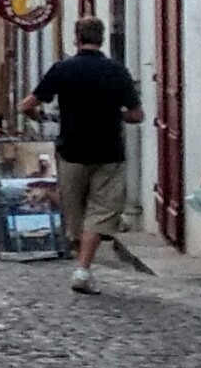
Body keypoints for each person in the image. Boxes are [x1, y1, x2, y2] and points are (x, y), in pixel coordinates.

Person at [32, 17, 148, 294]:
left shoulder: (62, 69)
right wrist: (114, 114)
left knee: (75, 212)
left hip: (71, 150)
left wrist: (44, 117)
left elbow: (28, 104)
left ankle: (82, 263)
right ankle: (83, 269)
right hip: (108, 152)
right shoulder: (117, 71)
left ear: (76, 38)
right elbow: (136, 115)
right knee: (100, 212)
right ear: (102, 39)